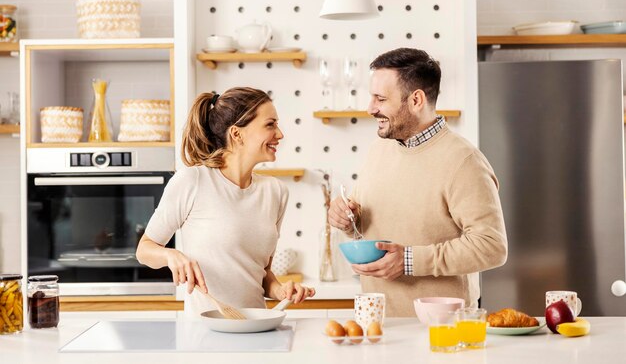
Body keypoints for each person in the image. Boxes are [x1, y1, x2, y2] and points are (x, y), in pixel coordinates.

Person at [329, 48, 508, 317]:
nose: (370, 108)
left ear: (416, 100)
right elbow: (367, 230)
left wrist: (410, 261)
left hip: (442, 327)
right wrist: (346, 220)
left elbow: (491, 246)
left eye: (380, 98)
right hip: (378, 322)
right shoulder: (380, 149)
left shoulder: (464, 161)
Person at [137, 87, 315, 316]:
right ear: (237, 134)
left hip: (256, 329)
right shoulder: (193, 181)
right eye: (270, 124)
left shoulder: (275, 192)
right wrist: (171, 255)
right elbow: (145, 250)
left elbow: (262, 275)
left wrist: (281, 291)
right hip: (205, 335)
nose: (279, 134)